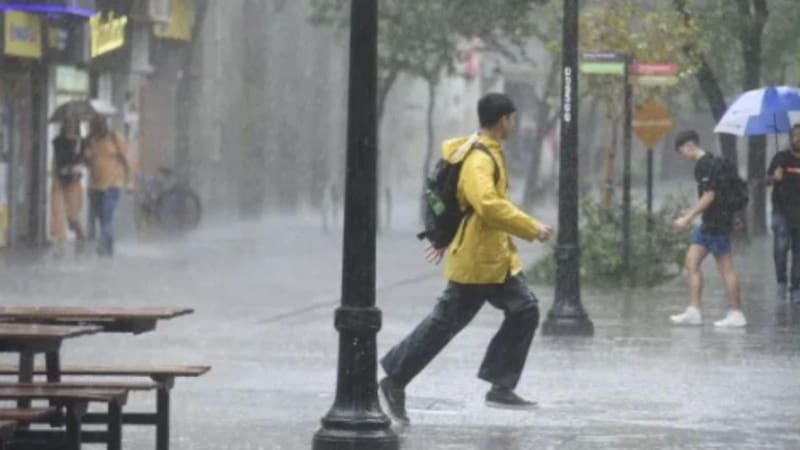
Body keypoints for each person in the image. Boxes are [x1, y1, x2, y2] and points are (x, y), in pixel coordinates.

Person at [379, 93, 553, 426]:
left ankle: (500, 386)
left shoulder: (487, 151)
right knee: (444, 324)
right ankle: (395, 380)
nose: (515, 124)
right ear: (503, 120)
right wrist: (531, 227)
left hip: (494, 259)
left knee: (524, 309)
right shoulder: (479, 159)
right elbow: (486, 205)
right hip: (478, 262)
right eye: (513, 118)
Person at [670, 130, 746, 328]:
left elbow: (709, 196)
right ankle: (694, 311)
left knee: (726, 268)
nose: (682, 156)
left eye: (681, 151)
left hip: (717, 223)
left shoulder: (704, 165)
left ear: (690, 146)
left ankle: (736, 312)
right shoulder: (712, 161)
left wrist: (686, 219)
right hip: (709, 223)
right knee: (691, 261)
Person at [83, 115, 130, 257]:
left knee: (107, 216)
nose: (97, 127)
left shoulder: (115, 138)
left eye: (99, 124)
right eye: (94, 125)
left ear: (105, 125)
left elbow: (125, 159)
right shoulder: (90, 140)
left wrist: (128, 180)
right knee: (102, 217)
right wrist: (86, 153)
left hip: (112, 185)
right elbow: (87, 162)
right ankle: (109, 243)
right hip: (95, 186)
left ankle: (103, 244)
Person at [767, 123, 800, 303]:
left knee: (798, 254)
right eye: (795, 135)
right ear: (790, 137)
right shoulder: (780, 158)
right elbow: (765, 181)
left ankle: (796, 288)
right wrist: (774, 177)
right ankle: (781, 282)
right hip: (781, 211)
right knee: (780, 249)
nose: (798, 139)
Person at [50, 117, 86, 253]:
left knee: (72, 214)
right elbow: (56, 159)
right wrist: (54, 175)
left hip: (74, 180)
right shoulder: (57, 141)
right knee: (58, 210)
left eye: (73, 123)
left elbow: (83, 160)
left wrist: (77, 168)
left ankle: (79, 233)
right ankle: (60, 240)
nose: (71, 126)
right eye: (68, 123)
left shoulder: (81, 142)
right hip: (60, 178)